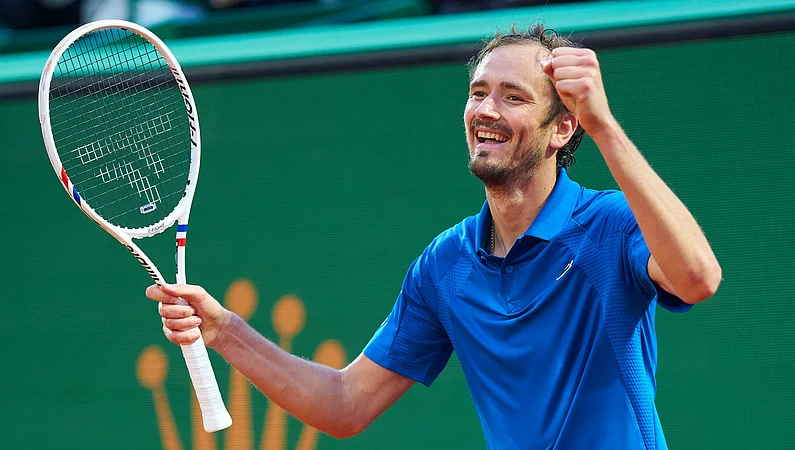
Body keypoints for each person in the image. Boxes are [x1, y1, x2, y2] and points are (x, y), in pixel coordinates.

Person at [147, 23, 721, 449]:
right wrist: (225, 330)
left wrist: (604, 125)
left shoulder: (611, 226)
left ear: (562, 128)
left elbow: (698, 278)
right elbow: (346, 405)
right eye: (478, 92)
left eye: (513, 97)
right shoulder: (446, 266)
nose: (486, 110)